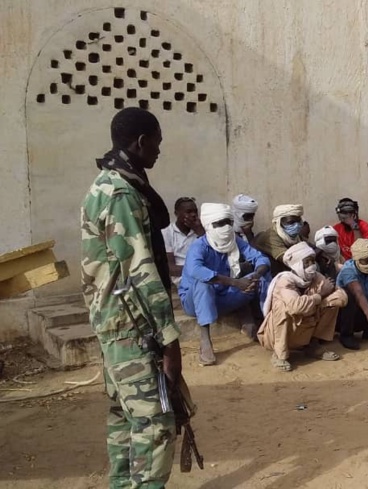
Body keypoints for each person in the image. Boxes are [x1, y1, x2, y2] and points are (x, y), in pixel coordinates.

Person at [81, 107, 182, 487]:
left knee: (123, 417)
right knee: (155, 423)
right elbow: (140, 270)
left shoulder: (102, 185)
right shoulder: (122, 193)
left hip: (113, 323)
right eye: (156, 142)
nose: (158, 150)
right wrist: (169, 338)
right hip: (132, 326)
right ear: (141, 142)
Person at [180, 203, 271, 365]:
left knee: (261, 277)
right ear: (209, 225)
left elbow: (260, 259)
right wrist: (235, 283)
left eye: (228, 222)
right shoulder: (199, 246)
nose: (226, 227)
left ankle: (266, 323)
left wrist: (256, 275)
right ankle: (205, 341)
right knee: (204, 283)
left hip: (223, 295)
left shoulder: (234, 241)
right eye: (220, 223)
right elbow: (196, 270)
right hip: (195, 301)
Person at [258, 242, 347, 371]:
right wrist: (320, 296)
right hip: (277, 335)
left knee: (333, 302)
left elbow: (342, 297)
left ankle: (313, 345)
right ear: (297, 264)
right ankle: (279, 354)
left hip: (304, 328)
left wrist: (320, 302)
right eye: (307, 262)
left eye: (313, 261)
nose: (312, 266)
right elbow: (296, 307)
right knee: (282, 307)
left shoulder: (315, 277)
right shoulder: (284, 281)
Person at [162, 196, 205, 287]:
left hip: (204, 274)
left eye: (195, 211)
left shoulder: (201, 230)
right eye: (189, 212)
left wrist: (201, 233)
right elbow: (171, 269)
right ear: (176, 213)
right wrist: (198, 270)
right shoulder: (167, 232)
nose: (193, 215)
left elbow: (213, 257)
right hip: (182, 278)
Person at [254, 204, 305, 274]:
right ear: (278, 222)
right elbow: (289, 259)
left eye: (298, 221)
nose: (296, 225)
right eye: (291, 222)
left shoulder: (294, 236)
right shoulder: (271, 236)